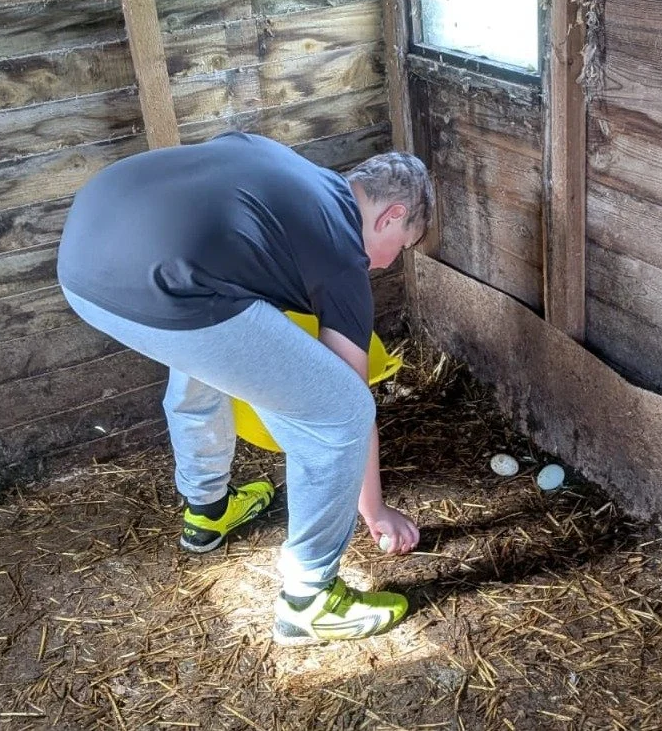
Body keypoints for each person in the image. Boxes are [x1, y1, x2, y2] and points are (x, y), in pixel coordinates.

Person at [56, 131, 434, 644]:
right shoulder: (344, 255)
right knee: (338, 411)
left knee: (210, 340)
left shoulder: (279, 164)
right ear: (390, 216)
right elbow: (350, 408)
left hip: (84, 258)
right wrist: (374, 508)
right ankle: (310, 599)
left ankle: (208, 510)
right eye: (401, 246)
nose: (388, 263)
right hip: (161, 286)